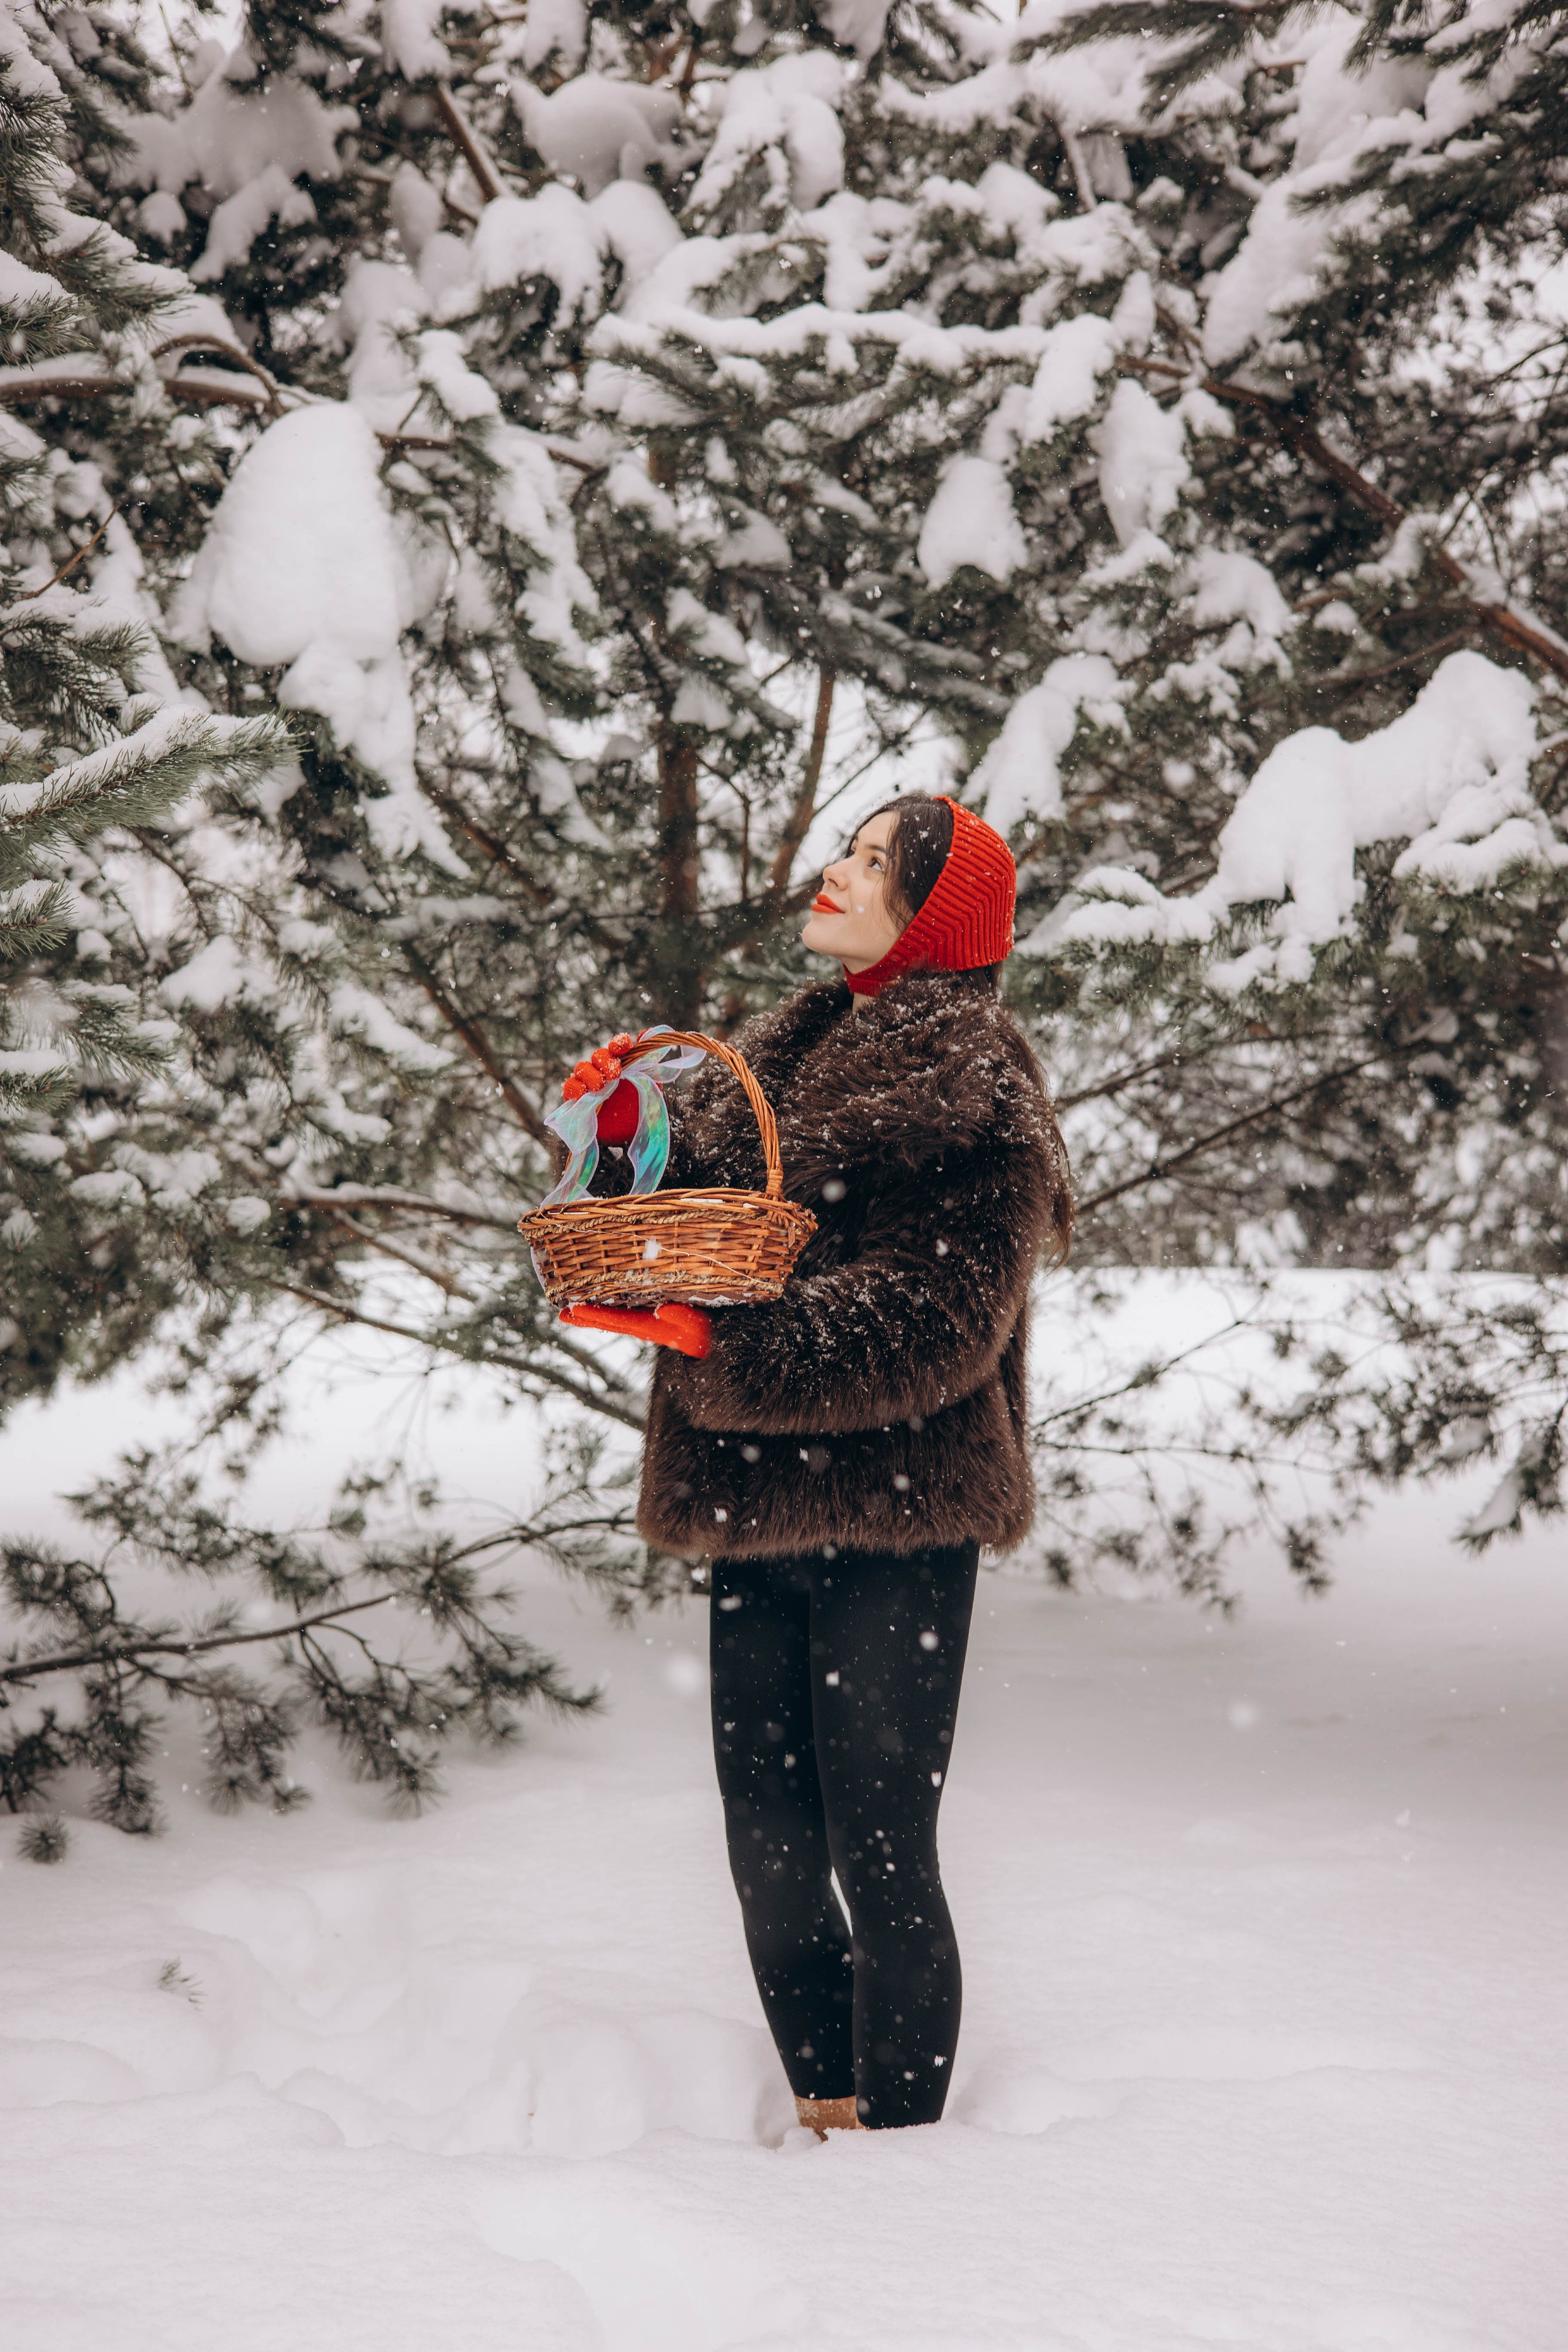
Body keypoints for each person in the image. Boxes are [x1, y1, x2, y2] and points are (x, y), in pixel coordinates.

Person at [557, 794, 1072, 2134]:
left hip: (900, 1511)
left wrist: (735, 1348)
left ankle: (903, 2160)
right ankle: (824, 2111)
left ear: (930, 913)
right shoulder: (772, 1059)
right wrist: (619, 1130)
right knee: (769, 1851)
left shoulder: (978, 1083)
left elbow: (937, 1319)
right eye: (839, 850)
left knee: (880, 1845)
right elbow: (689, 1223)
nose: (826, 872)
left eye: (861, 861)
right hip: (751, 1507)